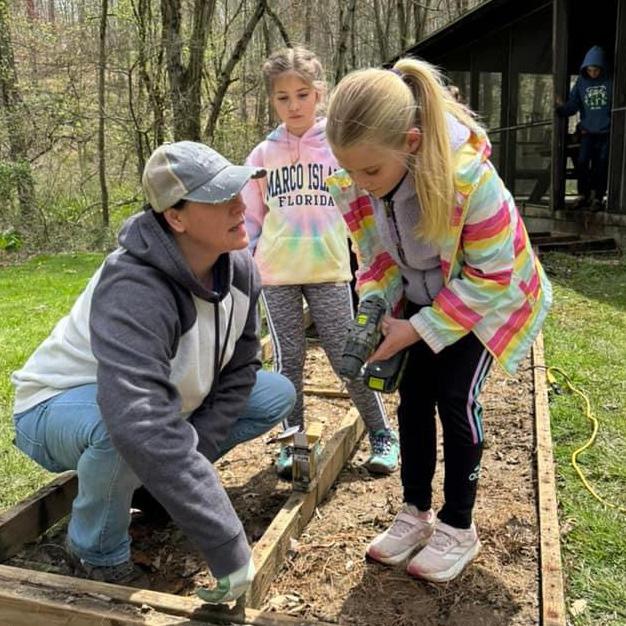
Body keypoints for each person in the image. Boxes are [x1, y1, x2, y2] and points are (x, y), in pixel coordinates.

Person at [11, 141, 296, 602]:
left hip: (152, 404)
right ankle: (95, 555)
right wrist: (225, 541)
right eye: (219, 198)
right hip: (54, 407)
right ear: (176, 218)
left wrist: (186, 465)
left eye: (237, 191)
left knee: (273, 392)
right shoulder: (134, 286)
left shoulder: (239, 269)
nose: (239, 206)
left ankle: (150, 487)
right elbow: (137, 418)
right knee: (122, 435)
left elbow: (242, 368)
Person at [325, 59, 552, 582]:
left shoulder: (470, 180)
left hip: (487, 298)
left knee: (455, 397)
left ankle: (458, 525)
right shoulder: (360, 179)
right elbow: (374, 258)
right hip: (422, 297)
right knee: (413, 397)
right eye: (350, 170)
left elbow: (492, 275)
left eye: (370, 172)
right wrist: (376, 308)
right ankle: (415, 511)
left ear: (410, 143)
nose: (360, 184)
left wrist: (421, 328)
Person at [242, 46, 399, 478]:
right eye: (283, 97)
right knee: (287, 361)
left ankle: (382, 433)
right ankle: (292, 444)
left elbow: (365, 205)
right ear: (272, 101)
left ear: (319, 93)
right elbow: (250, 216)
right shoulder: (262, 155)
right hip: (276, 274)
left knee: (347, 356)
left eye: (302, 95)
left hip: (329, 270)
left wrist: (375, 258)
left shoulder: (337, 147)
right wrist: (246, 263)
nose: (294, 105)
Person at [556, 45, 613, 211]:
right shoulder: (581, 82)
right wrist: (561, 109)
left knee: (601, 164)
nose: (593, 73)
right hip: (587, 132)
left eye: (596, 70)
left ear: (602, 68)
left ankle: (598, 197)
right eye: (589, 70)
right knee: (581, 162)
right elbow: (574, 104)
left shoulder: (611, 82)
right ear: (585, 69)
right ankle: (583, 194)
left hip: (606, 132)